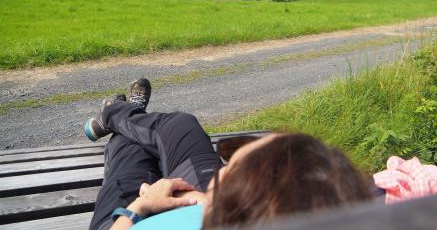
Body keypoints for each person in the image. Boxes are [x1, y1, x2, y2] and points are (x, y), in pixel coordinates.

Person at [85, 78, 373, 230]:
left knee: (131, 154)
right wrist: (209, 201)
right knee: (179, 124)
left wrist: (140, 207)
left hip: (122, 219)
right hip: (204, 207)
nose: (218, 167)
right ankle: (124, 116)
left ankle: (115, 114)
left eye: (229, 165)